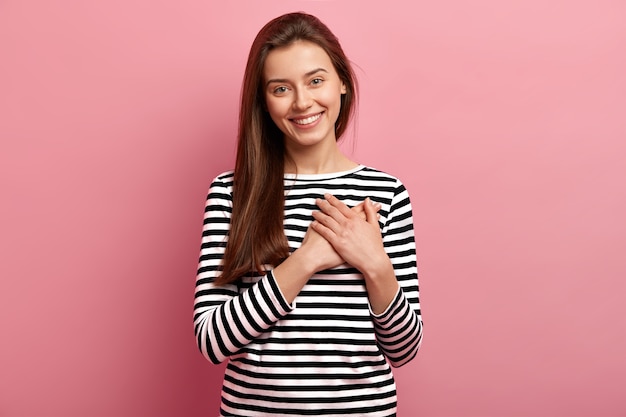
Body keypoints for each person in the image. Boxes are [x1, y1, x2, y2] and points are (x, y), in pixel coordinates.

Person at [194, 12, 423, 417]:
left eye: (316, 80)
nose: (302, 102)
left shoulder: (386, 194)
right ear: (264, 102)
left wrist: (375, 263)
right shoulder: (232, 192)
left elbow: (403, 349)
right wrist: (305, 260)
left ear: (343, 83)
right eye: (281, 88)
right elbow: (212, 340)